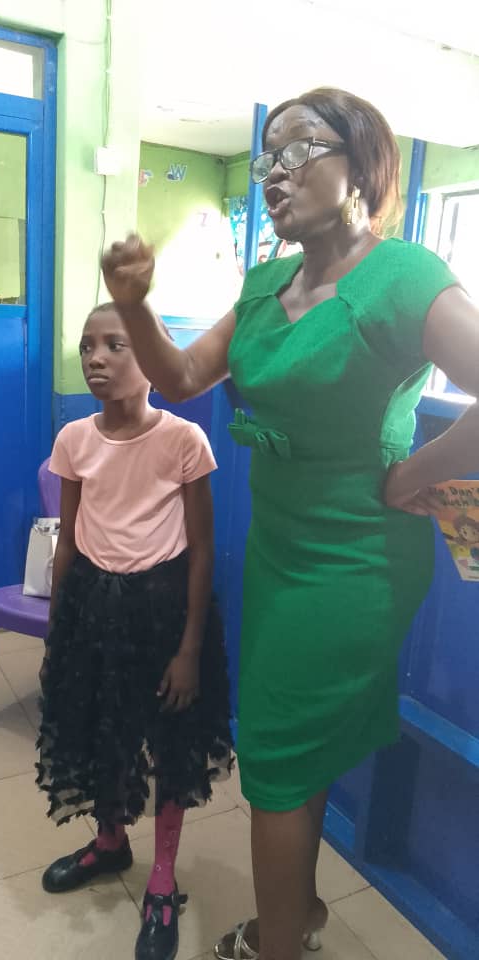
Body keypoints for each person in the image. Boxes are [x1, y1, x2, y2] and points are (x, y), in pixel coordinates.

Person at [99, 87, 479, 960]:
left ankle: (277, 946)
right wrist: (136, 303)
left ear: (362, 165)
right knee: (296, 756)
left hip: (354, 562)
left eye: (300, 149)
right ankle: (299, 916)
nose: (275, 173)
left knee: (271, 767)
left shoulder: (403, 276)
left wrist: (412, 474)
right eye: (267, 157)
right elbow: (182, 377)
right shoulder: (268, 282)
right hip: (279, 550)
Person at [36, 302, 233, 960]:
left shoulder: (184, 441)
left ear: (153, 360)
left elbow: (201, 551)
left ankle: (162, 881)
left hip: (164, 612)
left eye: (115, 345)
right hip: (92, 607)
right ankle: (110, 842)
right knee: (102, 732)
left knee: (171, 746)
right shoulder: (73, 440)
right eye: (87, 345)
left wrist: (190, 649)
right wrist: (58, 630)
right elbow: (68, 542)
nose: (96, 358)